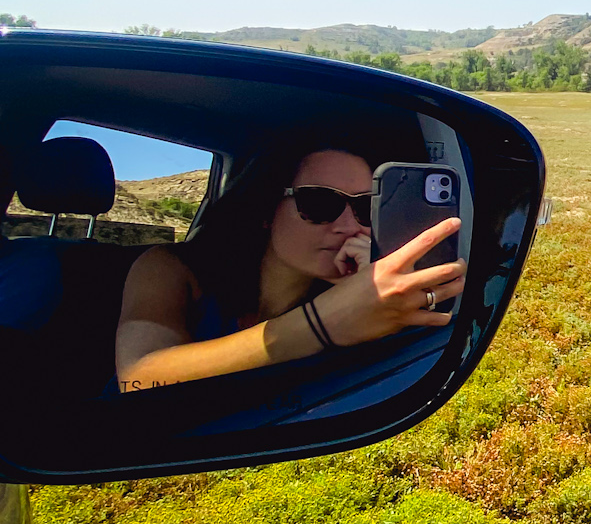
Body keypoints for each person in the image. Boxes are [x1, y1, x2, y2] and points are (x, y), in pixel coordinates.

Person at [116, 145, 464, 391]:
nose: (349, 226)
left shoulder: (364, 299)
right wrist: (326, 321)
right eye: (319, 203)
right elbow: (139, 380)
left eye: (364, 208)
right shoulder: (172, 268)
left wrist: (365, 301)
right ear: (266, 210)